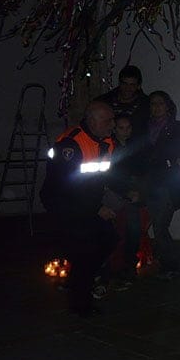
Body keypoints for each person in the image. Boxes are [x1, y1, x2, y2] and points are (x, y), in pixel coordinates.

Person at [40, 101, 118, 316]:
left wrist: (129, 190)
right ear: (92, 121)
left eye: (112, 120)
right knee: (86, 251)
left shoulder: (106, 142)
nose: (112, 124)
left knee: (108, 239)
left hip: (86, 203)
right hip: (65, 203)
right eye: (107, 121)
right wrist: (97, 208)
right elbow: (67, 186)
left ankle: (77, 279)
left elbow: (105, 175)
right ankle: (80, 304)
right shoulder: (71, 144)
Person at [142, 90, 180, 279]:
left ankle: (170, 265)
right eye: (153, 104)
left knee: (160, 226)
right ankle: (161, 258)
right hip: (148, 182)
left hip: (168, 183)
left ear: (168, 106)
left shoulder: (178, 127)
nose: (156, 107)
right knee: (155, 224)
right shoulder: (143, 128)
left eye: (160, 103)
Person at [108, 114, 148, 282]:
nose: (125, 131)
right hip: (114, 192)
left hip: (133, 191)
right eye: (121, 128)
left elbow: (142, 169)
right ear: (114, 129)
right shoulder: (109, 147)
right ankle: (112, 266)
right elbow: (110, 175)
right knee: (115, 230)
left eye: (128, 127)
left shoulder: (135, 146)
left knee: (134, 228)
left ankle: (128, 264)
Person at [95, 65, 149, 138]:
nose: (127, 88)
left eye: (132, 85)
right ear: (119, 83)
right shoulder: (104, 102)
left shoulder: (147, 104)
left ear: (138, 86)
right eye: (124, 84)